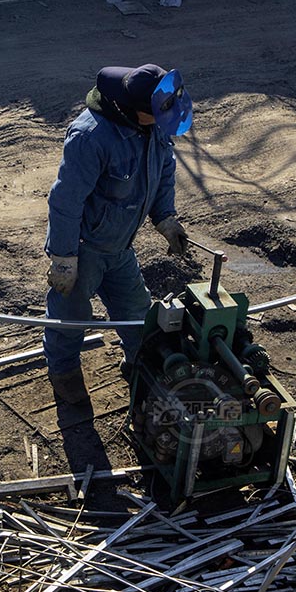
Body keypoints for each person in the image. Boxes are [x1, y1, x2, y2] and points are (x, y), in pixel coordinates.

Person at [44, 63, 194, 405]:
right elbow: (65, 201)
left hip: (120, 248)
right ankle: (63, 371)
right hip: (84, 250)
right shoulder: (91, 137)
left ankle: (139, 366)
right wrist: (64, 259)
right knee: (70, 319)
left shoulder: (152, 123)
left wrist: (165, 218)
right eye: (156, 116)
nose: (162, 122)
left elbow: (164, 170)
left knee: (139, 316)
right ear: (133, 110)